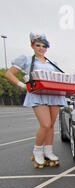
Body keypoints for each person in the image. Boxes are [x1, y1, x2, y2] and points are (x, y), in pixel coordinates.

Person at [5, 33, 66, 168]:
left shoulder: (52, 63)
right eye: (38, 45)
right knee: (45, 124)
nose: (41, 48)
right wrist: (22, 85)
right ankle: (37, 150)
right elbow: (9, 74)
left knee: (51, 125)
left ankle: (48, 151)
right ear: (32, 45)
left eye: (44, 46)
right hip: (38, 95)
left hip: (54, 94)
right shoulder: (26, 60)